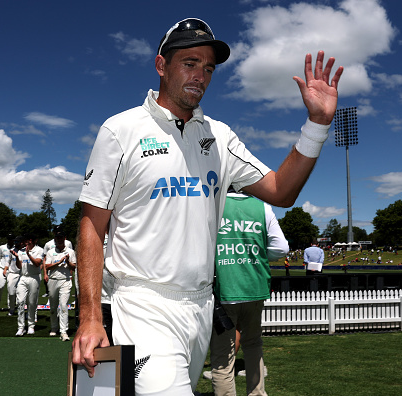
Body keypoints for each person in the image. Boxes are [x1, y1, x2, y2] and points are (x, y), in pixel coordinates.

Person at [71, 17, 342, 394]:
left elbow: (281, 191)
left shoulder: (220, 136)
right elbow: (91, 224)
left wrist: (317, 124)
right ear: (161, 66)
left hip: (201, 304)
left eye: (209, 68)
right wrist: (88, 317)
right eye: (190, 63)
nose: (201, 75)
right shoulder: (121, 130)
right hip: (141, 302)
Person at [207, 190, 288, 395]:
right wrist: (255, 256)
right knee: (253, 344)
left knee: (223, 356)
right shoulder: (262, 207)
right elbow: (281, 248)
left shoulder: (212, 204)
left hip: (224, 287)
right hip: (255, 286)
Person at [44, 231, 76, 341]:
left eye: (61, 237)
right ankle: (54, 327)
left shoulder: (70, 252)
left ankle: (64, 331)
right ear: (55, 239)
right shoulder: (50, 252)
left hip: (65, 280)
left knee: (63, 305)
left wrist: (67, 261)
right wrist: (59, 262)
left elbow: (74, 267)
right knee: (53, 307)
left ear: (64, 238)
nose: (59, 240)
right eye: (57, 238)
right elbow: (47, 266)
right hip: (53, 280)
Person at [12, 234, 43, 336]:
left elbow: (37, 263)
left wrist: (28, 254)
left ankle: (31, 326)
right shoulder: (21, 251)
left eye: (28, 240)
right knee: (20, 301)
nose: (26, 242)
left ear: (32, 241)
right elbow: (19, 266)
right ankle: (21, 327)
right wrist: (17, 258)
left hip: (34, 277)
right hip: (23, 277)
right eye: (25, 240)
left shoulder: (39, 250)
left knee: (32, 302)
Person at [42, 226, 73, 298]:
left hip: (64, 272)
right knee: (52, 295)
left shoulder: (68, 243)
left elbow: (71, 257)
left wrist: (71, 274)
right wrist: (45, 273)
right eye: (56, 231)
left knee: (63, 296)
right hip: (52, 271)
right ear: (53, 232)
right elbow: (45, 259)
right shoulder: (48, 244)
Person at [0, 234, 15, 308]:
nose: (10, 241)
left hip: (11, 270)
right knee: (0, 285)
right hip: (2, 268)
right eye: (9, 239)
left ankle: (10, 305)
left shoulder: (16, 248)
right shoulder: (2, 247)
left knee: (10, 287)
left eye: (11, 239)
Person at [5, 236, 23, 316]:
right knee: (11, 293)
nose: (15, 244)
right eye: (15, 242)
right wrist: (5, 269)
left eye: (17, 242)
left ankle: (21, 309)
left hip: (22, 274)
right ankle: (12, 308)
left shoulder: (24, 251)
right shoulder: (11, 251)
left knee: (21, 294)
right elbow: (7, 262)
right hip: (12, 274)